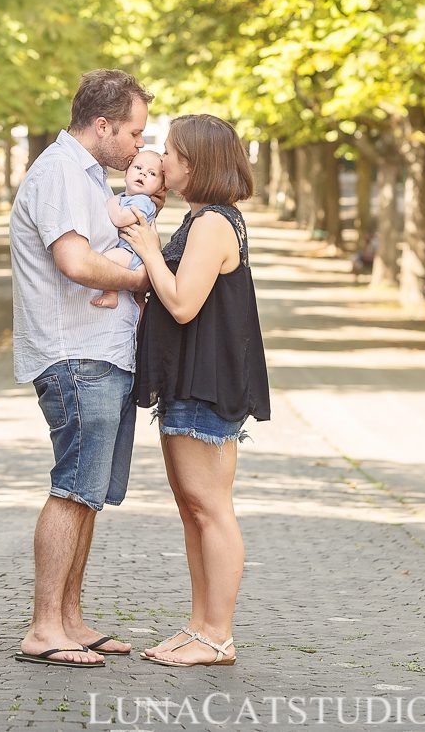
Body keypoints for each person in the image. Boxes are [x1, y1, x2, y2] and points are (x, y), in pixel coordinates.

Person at [10, 69, 156, 669]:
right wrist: (138, 278)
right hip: (76, 354)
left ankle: (69, 617)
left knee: (88, 493)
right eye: (133, 133)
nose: (138, 146)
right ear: (103, 126)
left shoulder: (88, 176)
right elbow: (74, 261)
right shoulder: (61, 173)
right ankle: (45, 627)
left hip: (101, 352)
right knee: (72, 487)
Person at [121, 113, 270, 669]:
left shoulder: (212, 225)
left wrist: (149, 248)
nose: (166, 160)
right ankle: (200, 626)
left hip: (206, 383)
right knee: (194, 510)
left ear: (198, 162)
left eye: (175, 152)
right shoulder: (204, 218)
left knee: (210, 509)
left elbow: (183, 302)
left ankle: (217, 635)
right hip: (190, 378)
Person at [91, 150, 165, 310]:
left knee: (106, 260)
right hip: (132, 252)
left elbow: (119, 219)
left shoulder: (144, 202)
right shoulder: (128, 198)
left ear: (160, 187)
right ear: (126, 173)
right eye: (138, 167)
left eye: (152, 173)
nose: (143, 174)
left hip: (133, 254)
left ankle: (111, 293)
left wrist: (111, 202)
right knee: (138, 300)